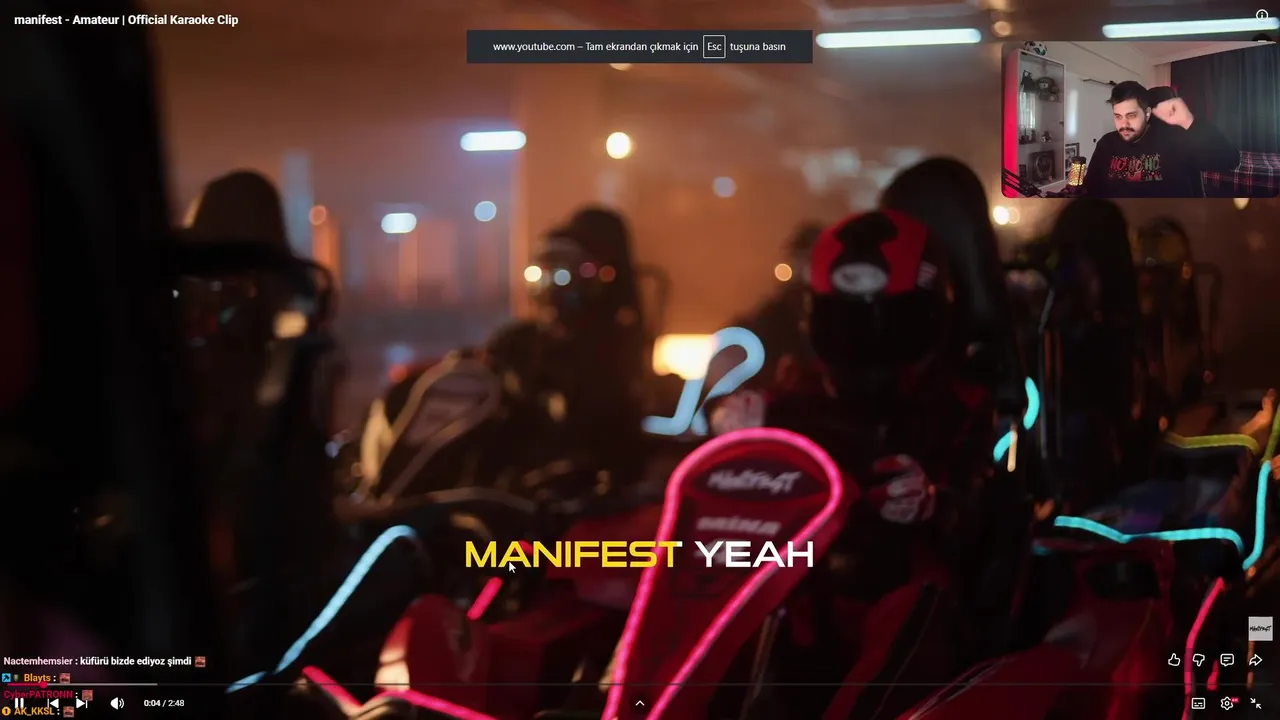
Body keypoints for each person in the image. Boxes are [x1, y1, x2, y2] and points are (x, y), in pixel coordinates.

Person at [710, 210, 995, 718]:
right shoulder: (791, 396)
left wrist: (935, 503)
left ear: (929, 319)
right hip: (799, 594)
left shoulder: (965, 406)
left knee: (912, 604)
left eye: (888, 326)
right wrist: (732, 429)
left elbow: (990, 521)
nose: (866, 347)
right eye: (847, 326)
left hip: (913, 602)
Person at [1083, 81, 1239, 198]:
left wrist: (1189, 121)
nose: (1124, 124)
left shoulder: (1176, 140)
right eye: (1118, 116)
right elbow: (1092, 189)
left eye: (1131, 115)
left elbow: (1229, 159)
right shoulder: (1106, 144)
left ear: (1147, 113)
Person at [725, 222, 824, 389]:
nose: (802, 268)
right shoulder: (774, 315)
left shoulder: (836, 315)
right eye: (799, 260)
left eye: (808, 260)